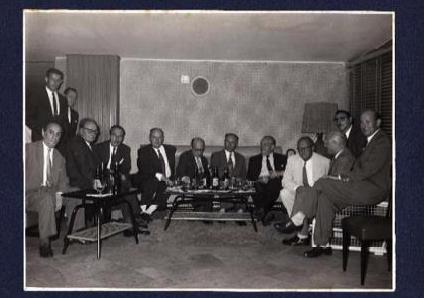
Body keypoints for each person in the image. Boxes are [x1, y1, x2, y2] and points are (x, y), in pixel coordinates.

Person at [280, 110, 391, 257]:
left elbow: (366, 170)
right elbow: (360, 168)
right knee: (325, 199)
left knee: (322, 183)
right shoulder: (369, 140)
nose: (364, 125)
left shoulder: (382, 141)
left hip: (372, 189)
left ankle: (299, 216)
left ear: (378, 123)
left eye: (368, 122)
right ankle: (323, 244)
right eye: (362, 122)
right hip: (362, 186)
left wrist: (340, 177)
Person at [25, 121, 82, 257]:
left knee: (76, 192)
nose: (54, 137)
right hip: (30, 194)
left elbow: (63, 182)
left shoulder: (59, 157)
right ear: (44, 132)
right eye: (51, 133)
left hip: (51, 192)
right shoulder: (28, 150)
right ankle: (44, 242)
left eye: (58, 135)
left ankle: (76, 233)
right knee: (45, 199)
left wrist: (59, 194)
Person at [274, 137, 330, 246]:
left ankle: (296, 226)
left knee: (306, 194)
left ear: (312, 148)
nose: (302, 152)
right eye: (299, 149)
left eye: (305, 148)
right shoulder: (292, 160)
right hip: (299, 192)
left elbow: (327, 184)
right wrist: (297, 188)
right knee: (284, 193)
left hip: (316, 194)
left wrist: (309, 191)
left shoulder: (324, 162)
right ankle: (299, 225)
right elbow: (285, 180)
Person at [95, 125, 146, 229]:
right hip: (102, 179)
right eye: (114, 135)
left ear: (123, 137)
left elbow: (126, 167)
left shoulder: (125, 149)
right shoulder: (99, 147)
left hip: (118, 178)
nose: (117, 139)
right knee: (126, 189)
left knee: (125, 185)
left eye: (120, 136)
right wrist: (110, 173)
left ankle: (130, 221)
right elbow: (96, 168)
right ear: (110, 135)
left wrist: (118, 175)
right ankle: (133, 219)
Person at [136, 128, 176, 222]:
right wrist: (161, 177)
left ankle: (145, 212)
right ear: (149, 138)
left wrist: (169, 179)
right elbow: (144, 167)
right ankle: (146, 211)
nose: (157, 140)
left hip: (168, 179)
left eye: (160, 137)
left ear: (163, 138)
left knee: (166, 186)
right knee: (153, 181)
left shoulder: (171, 149)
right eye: (154, 137)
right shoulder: (143, 151)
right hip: (150, 177)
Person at [247, 136, 287, 225]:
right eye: (261, 145)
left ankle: (261, 211)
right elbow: (249, 176)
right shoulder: (253, 159)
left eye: (265, 145)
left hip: (274, 182)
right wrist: (259, 179)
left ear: (272, 147)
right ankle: (265, 213)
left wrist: (278, 173)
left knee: (275, 182)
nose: (261, 147)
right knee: (256, 185)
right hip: (259, 183)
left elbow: (290, 172)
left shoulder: (283, 158)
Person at [26, 68, 68, 142]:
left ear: (61, 82)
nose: (55, 82)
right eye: (52, 79)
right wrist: (43, 130)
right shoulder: (35, 95)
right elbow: (28, 118)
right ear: (46, 79)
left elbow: (64, 121)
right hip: (40, 138)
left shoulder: (63, 100)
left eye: (58, 80)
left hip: (57, 141)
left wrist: (60, 134)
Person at [66, 118, 100, 189]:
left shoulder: (92, 146)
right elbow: (84, 169)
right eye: (90, 131)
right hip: (79, 187)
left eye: (95, 131)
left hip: (88, 184)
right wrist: (99, 181)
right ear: (81, 131)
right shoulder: (77, 144)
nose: (93, 134)